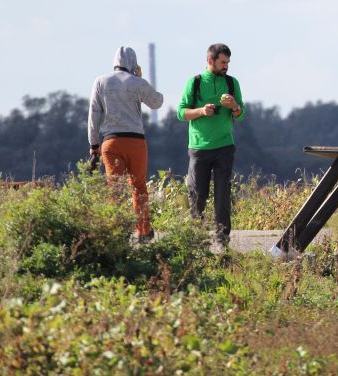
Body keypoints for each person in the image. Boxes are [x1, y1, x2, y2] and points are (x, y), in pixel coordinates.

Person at [88, 46, 163, 243]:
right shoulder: (137, 82)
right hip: (136, 142)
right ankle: (143, 231)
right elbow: (157, 102)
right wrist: (140, 78)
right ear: (133, 64)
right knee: (138, 186)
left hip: (111, 142)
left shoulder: (101, 82)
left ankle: (117, 231)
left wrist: (94, 144)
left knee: (116, 187)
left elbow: (94, 114)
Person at [177, 43, 245, 249]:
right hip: (199, 147)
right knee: (197, 194)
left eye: (228, 63)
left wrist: (234, 106)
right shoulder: (195, 83)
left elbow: (241, 115)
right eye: (223, 62)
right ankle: (197, 239)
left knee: (223, 195)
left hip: (225, 146)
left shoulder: (232, 83)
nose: (226, 66)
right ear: (210, 61)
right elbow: (181, 112)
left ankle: (222, 239)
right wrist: (200, 111)